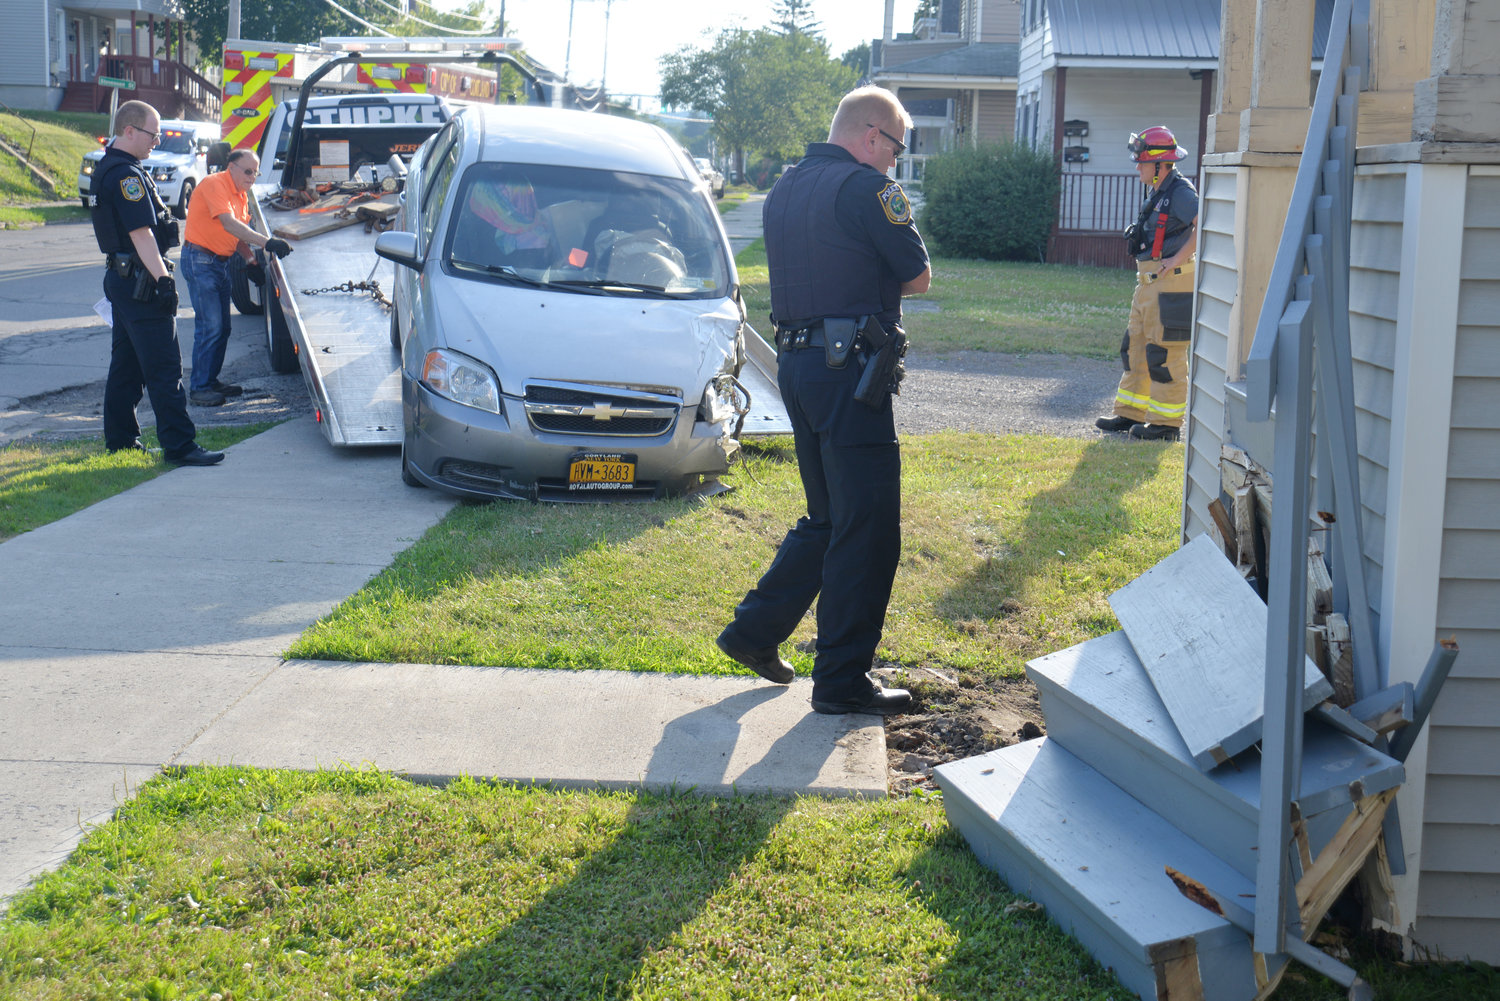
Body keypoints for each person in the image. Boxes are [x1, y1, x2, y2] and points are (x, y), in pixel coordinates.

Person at [716, 87, 931, 716]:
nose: (894, 161)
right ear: (871, 136)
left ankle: (753, 633)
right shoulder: (869, 190)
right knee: (865, 528)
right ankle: (840, 681)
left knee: (831, 517)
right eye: (895, 147)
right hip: (850, 375)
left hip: (797, 367)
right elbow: (917, 276)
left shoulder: (785, 187)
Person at [90, 99, 222, 466]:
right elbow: (141, 233)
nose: (157, 140)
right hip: (141, 282)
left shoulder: (111, 167)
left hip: (122, 280)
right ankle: (179, 446)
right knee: (164, 367)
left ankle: (120, 443)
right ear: (129, 130)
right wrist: (163, 280)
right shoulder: (126, 175)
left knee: (127, 367)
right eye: (153, 134)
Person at [1095, 124, 1200, 442]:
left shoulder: (1181, 193)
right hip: (1148, 285)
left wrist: (1177, 259)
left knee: (1163, 353)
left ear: (1160, 165)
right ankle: (1131, 414)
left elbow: (1205, 224)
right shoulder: (1159, 191)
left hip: (1170, 284)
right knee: (1136, 348)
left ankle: (1166, 424)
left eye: (1142, 162)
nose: (1138, 167)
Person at [181, 148, 292, 406]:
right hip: (200, 260)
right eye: (248, 171)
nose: (252, 176)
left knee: (223, 327)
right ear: (230, 167)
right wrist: (267, 243)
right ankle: (199, 388)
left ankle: (210, 380)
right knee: (211, 326)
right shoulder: (214, 184)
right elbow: (229, 223)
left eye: (256, 172)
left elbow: (237, 234)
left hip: (217, 262)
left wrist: (250, 260)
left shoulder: (240, 194)